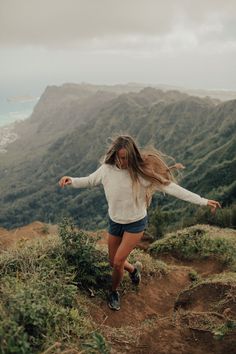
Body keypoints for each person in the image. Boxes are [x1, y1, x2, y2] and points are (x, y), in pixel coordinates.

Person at [59, 135, 221, 311]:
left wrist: (203, 200)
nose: (124, 162)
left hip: (135, 225)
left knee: (119, 262)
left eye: (127, 158)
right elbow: (90, 180)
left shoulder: (143, 174)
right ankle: (134, 270)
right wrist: (72, 180)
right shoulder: (107, 169)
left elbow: (173, 189)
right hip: (115, 221)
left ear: (133, 156)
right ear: (114, 155)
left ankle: (113, 292)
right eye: (121, 158)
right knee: (113, 262)